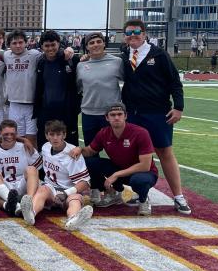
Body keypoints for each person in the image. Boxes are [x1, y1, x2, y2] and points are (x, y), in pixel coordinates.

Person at [120, 18, 191, 214]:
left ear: (144, 34)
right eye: (128, 33)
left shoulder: (159, 55)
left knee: (164, 152)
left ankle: (178, 196)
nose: (132, 36)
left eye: (136, 33)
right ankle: (141, 193)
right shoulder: (125, 55)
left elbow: (175, 82)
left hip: (158, 113)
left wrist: (178, 107)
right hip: (133, 113)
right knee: (137, 155)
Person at [72, 104, 158, 216]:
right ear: (107, 118)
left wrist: (116, 175)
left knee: (139, 181)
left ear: (125, 116)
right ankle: (113, 193)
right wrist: (79, 149)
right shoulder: (104, 133)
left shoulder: (140, 133)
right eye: (112, 115)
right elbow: (89, 151)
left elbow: (145, 166)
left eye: (119, 114)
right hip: (119, 168)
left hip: (142, 172)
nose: (116, 117)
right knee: (89, 162)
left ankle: (143, 199)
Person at [20, 120, 93, 231]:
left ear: (64, 135)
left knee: (76, 199)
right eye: (52, 134)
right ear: (46, 136)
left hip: (67, 191)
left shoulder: (73, 153)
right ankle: (31, 213)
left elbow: (85, 182)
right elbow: (37, 164)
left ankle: (73, 219)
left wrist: (66, 193)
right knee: (42, 189)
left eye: (58, 134)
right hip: (50, 189)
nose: (55, 138)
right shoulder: (45, 147)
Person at [33, 30, 80, 148]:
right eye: (46, 46)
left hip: (67, 112)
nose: (50, 49)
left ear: (59, 44)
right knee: (45, 145)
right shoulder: (41, 63)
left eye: (53, 45)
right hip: (46, 112)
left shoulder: (70, 60)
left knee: (69, 144)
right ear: (42, 46)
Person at [75, 32, 124, 146]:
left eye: (98, 42)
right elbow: (78, 88)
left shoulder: (117, 62)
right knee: (91, 151)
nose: (95, 45)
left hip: (111, 114)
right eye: (91, 43)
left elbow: (129, 83)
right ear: (87, 47)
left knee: (116, 150)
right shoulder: (81, 65)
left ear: (104, 44)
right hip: (88, 114)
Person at [0, 119, 41, 216]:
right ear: (0, 133)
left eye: (12, 134)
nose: (9, 136)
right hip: (4, 185)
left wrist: (24, 140)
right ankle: (14, 204)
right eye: (6, 134)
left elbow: (37, 169)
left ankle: (29, 202)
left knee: (32, 169)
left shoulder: (24, 147)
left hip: (22, 184)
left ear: (16, 134)